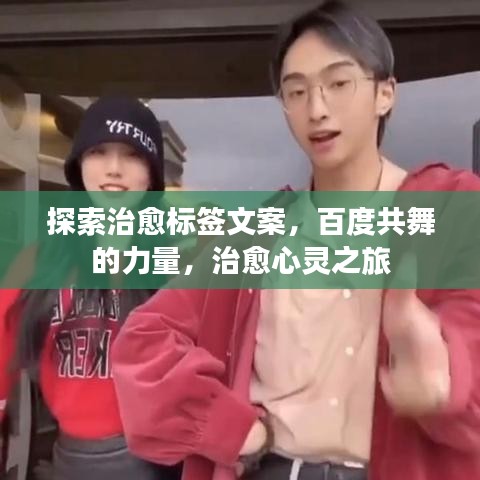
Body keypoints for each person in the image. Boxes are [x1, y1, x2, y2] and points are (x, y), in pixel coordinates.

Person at [111, 2, 480, 480]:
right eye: (297, 91)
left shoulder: (451, 209)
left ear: (385, 93)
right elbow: (143, 341)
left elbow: (469, 325)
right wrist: (233, 430)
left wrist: (446, 375)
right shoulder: (253, 237)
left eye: (339, 83)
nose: (317, 109)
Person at [0, 96, 182, 480]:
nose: (113, 168)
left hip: (162, 463)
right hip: (70, 461)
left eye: (132, 155)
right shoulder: (37, 263)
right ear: (78, 165)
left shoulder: (175, 269)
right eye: (98, 151)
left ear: (151, 175)